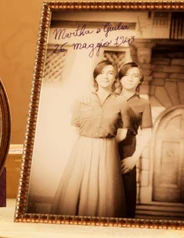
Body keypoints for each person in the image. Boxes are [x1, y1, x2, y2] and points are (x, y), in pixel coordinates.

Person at [50, 60, 130, 218]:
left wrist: (104, 143)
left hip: (108, 150)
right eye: (101, 73)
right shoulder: (83, 99)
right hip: (83, 149)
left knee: (105, 192)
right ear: (95, 77)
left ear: (115, 78)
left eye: (110, 73)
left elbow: (122, 133)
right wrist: (88, 143)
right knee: (76, 191)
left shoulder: (121, 102)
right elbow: (75, 128)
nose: (105, 76)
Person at [116, 62, 153, 218]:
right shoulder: (110, 98)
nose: (130, 79)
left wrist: (134, 158)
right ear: (120, 78)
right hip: (106, 146)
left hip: (128, 149)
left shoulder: (144, 103)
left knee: (126, 191)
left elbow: (147, 132)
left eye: (135, 76)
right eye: (126, 75)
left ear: (140, 80)